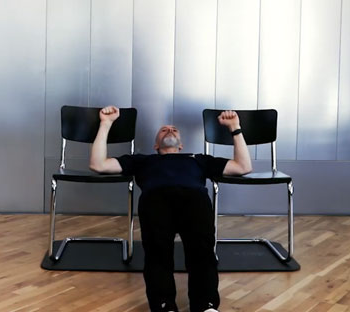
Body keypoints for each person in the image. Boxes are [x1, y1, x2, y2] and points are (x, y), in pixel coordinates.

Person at [89, 106, 252, 312]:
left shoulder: (198, 159)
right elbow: (98, 165)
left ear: (181, 145)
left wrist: (235, 128)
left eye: (174, 129)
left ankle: (206, 306)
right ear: (155, 144)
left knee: (202, 252)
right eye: (164, 130)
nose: (170, 130)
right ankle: (164, 306)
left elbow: (243, 167)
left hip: (194, 202)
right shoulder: (142, 160)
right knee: (157, 255)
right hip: (156, 201)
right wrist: (106, 124)